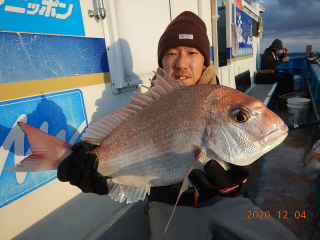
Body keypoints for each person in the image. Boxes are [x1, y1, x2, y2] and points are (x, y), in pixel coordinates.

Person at [57, 12, 298, 240]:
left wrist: (234, 185)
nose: (181, 63)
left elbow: (238, 160)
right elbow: (113, 152)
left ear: (205, 61)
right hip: (168, 206)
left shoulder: (224, 100)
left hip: (227, 201)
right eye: (171, 53)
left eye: (192, 52)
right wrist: (91, 168)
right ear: (161, 60)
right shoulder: (141, 109)